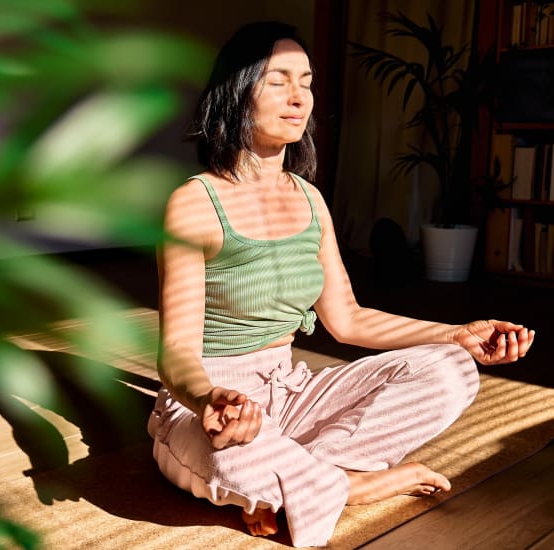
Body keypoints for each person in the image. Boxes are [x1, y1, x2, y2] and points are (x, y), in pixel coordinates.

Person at [147, 21, 535, 548]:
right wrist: (208, 398)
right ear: (237, 92)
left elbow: (348, 319)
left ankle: (306, 481)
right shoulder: (194, 204)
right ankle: (347, 486)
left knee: (453, 371)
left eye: (305, 81)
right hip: (217, 404)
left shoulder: (310, 199)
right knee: (234, 460)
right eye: (278, 80)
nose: (298, 97)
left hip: (290, 391)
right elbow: (175, 355)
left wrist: (455, 334)